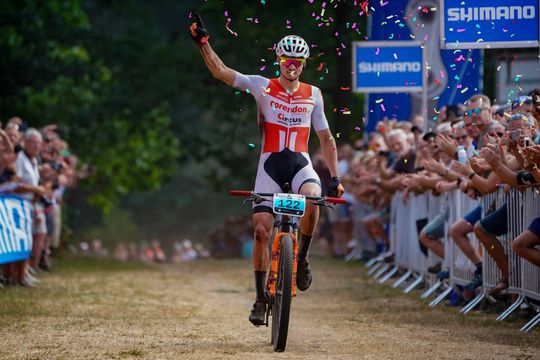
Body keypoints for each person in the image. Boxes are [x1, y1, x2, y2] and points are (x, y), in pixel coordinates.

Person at [189, 13, 344, 326]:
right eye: (287, 59)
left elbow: (326, 138)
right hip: (270, 165)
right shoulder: (262, 86)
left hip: (300, 163)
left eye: (298, 61)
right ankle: (260, 298)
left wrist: (336, 177)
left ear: (304, 63)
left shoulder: (314, 94)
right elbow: (221, 72)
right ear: (279, 59)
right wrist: (203, 43)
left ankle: (301, 260)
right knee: (261, 229)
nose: (292, 65)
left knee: (314, 199)